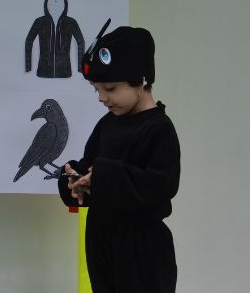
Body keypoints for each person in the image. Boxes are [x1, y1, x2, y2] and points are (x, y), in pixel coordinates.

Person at [58, 24, 180, 293]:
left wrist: (103, 177)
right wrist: (76, 178)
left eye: (111, 88)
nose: (102, 98)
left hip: (141, 247)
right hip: (101, 238)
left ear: (141, 80)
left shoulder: (159, 128)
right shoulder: (108, 124)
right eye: (97, 90)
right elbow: (92, 164)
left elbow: (161, 184)